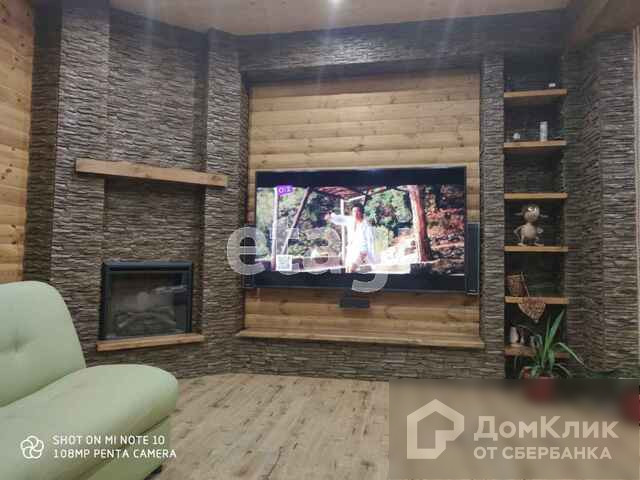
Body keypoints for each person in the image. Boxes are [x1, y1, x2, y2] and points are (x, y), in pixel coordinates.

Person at [326, 202, 378, 273]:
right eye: (354, 211)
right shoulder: (350, 220)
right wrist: (330, 215)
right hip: (351, 250)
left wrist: (367, 254)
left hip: (362, 251)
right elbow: (338, 218)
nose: (355, 213)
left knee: (351, 269)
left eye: (358, 211)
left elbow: (370, 241)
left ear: (361, 213)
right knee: (348, 270)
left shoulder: (366, 225)